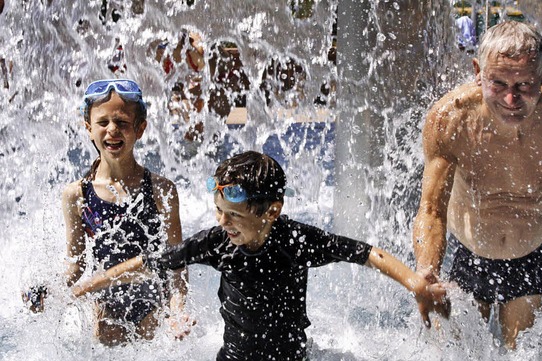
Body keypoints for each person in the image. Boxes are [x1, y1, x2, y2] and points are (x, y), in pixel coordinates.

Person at [72, 150, 447, 360]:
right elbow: (150, 261)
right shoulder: (216, 242)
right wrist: (84, 288)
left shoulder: (298, 240)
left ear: (271, 211)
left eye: (233, 214)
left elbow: (365, 253)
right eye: (219, 211)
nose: (223, 222)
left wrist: (414, 281)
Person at [412, 21, 542, 349]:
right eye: (499, 83)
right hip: (469, 254)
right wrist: (427, 270)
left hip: (534, 255)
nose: (511, 98)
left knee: (522, 355)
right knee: (458, 355)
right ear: (478, 72)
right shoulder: (450, 119)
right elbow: (432, 210)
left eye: (524, 84)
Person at [61, 79, 192, 345]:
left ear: (140, 128)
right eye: (103, 122)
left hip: (153, 297)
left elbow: (177, 262)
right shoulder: (77, 194)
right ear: (88, 128)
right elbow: (76, 263)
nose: (112, 130)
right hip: (106, 301)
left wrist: (177, 309)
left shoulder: (161, 190)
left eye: (121, 122)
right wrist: (49, 293)